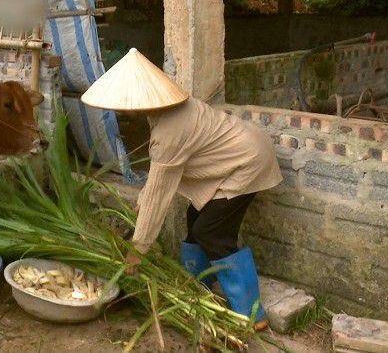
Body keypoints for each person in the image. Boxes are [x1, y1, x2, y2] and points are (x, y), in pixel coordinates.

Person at [81, 48, 282, 330]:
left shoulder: (168, 132)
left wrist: (137, 252)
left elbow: (159, 195)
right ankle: (196, 283)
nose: (124, 109)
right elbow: (157, 179)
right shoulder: (166, 112)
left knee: (212, 232)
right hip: (241, 153)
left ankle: (252, 312)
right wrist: (142, 198)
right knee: (195, 218)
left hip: (247, 163)